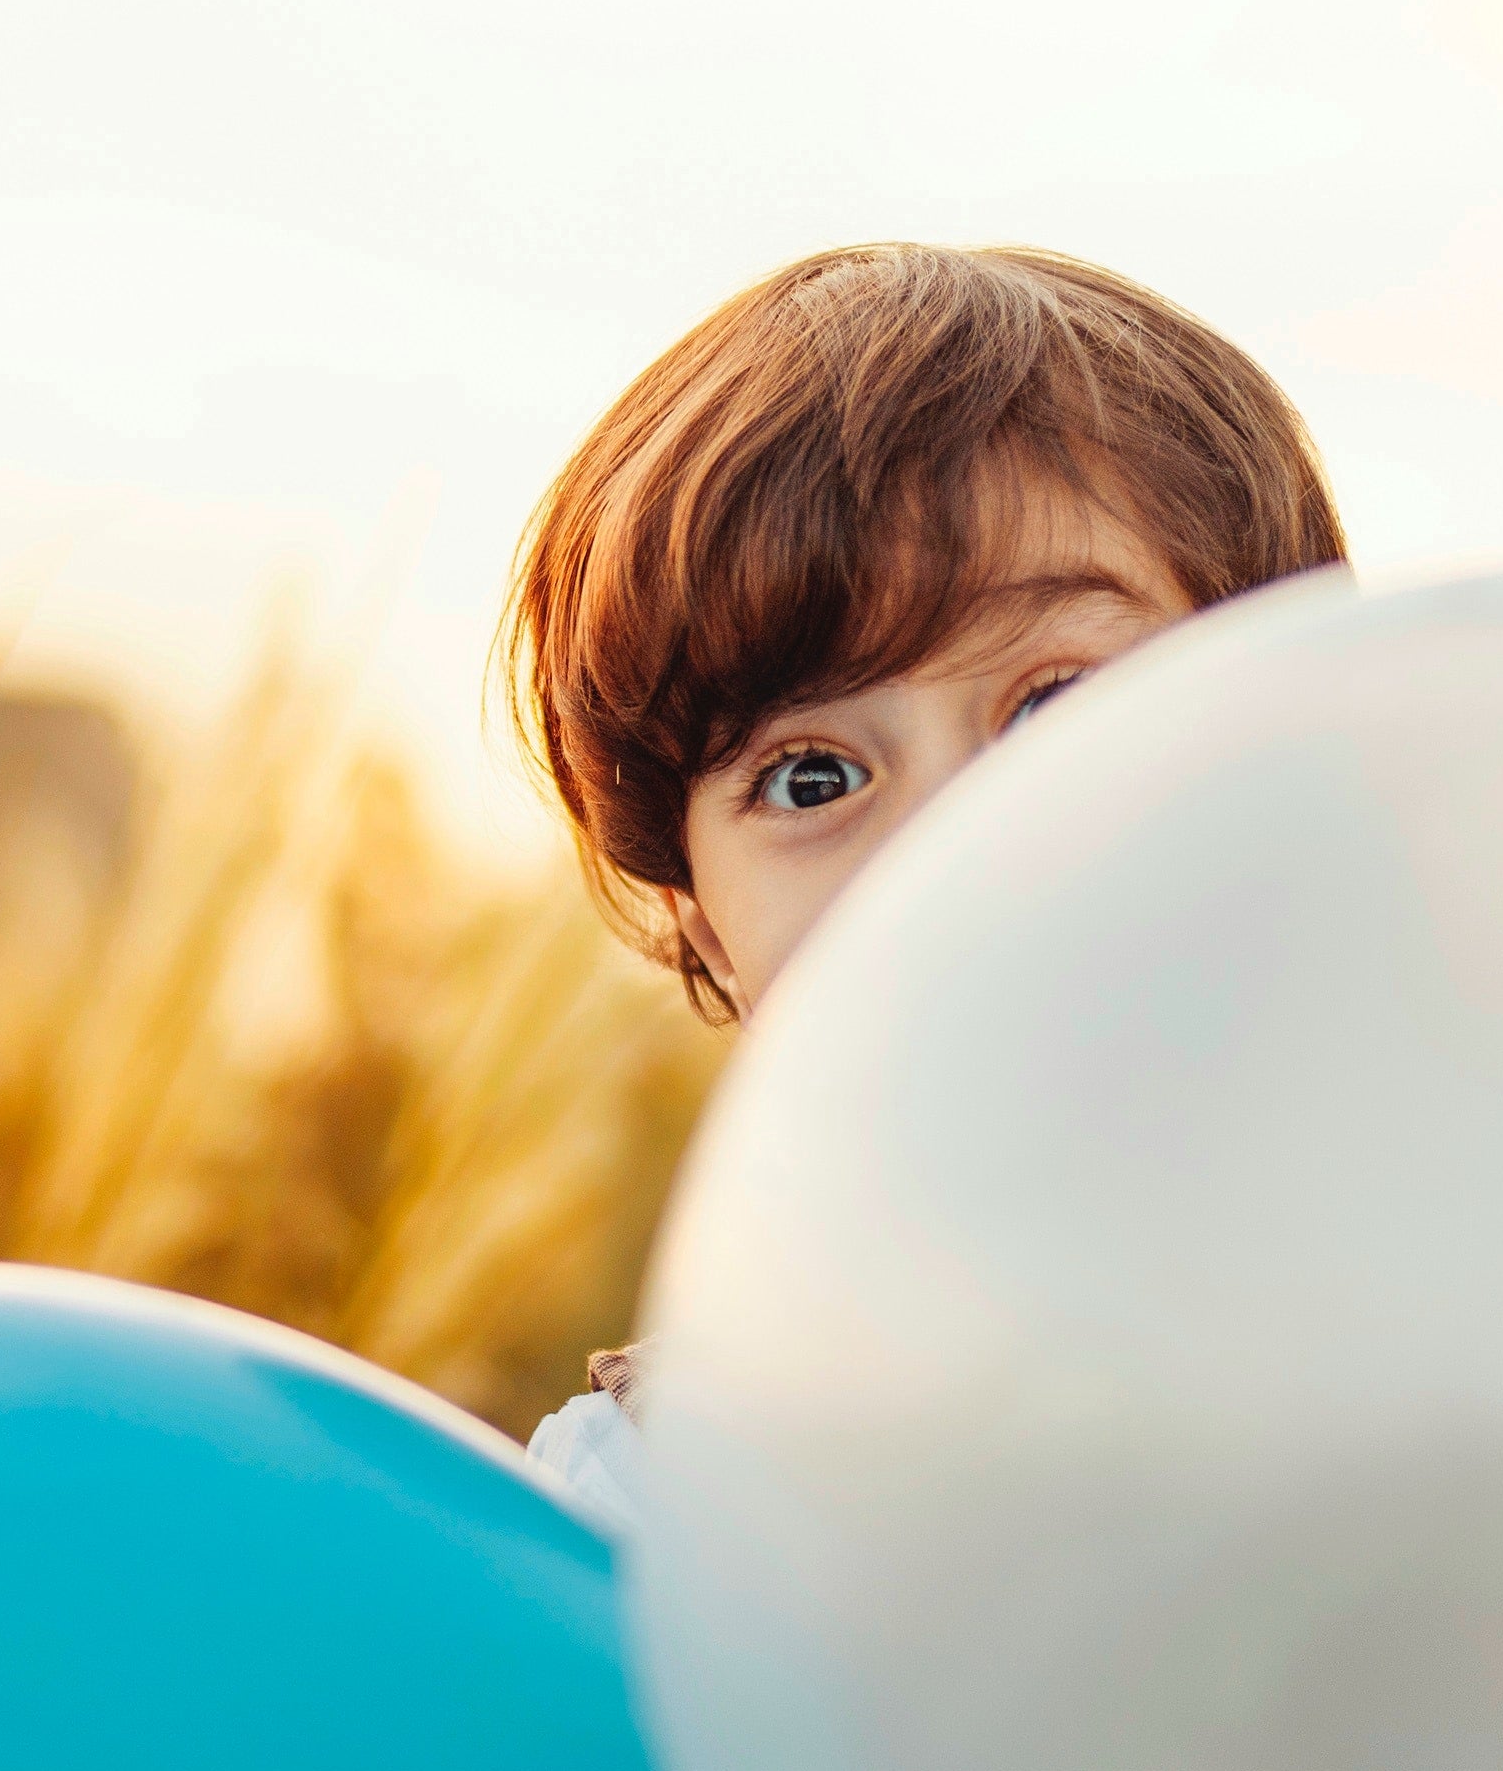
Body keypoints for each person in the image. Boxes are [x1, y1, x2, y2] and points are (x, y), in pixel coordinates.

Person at [508, 243, 1347, 1528]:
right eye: (811, 779)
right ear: (703, 924)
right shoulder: (644, 1508)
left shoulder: (1490, 1357)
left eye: (1061, 700)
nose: (953, 840)